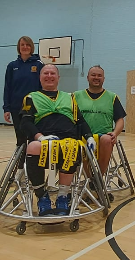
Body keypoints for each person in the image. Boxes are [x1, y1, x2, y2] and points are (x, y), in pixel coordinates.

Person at [20, 64, 94, 216]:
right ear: (40, 78)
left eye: (52, 73)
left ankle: (62, 196)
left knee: (73, 147)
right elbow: (25, 123)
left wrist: (89, 136)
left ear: (58, 78)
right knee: (33, 147)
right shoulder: (30, 98)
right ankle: (42, 197)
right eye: (45, 73)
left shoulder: (69, 98)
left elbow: (80, 121)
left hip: (68, 140)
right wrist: (40, 137)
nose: (49, 76)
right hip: (44, 141)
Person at [74, 65, 126, 180]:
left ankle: (98, 178)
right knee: (77, 142)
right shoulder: (76, 96)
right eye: (93, 75)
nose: (96, 77)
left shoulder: (112, 97)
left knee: (107, 139)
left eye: (99, 75)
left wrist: (115, 133)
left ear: (103, 78)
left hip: (104, 135)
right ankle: (90, 180)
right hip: (82, 136)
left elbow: (120, 120)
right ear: (87, 77)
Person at [2, 36, 43, 158]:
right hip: (16, 108)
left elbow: (42, 87)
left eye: (27, 45)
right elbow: (7, 87)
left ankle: (31, 168)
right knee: (20, 139)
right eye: (22, 45)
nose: (25, 47)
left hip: (34, 108)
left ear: (31, 47)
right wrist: (6, 108)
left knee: (33, 138)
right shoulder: (12, 66)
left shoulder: (39, 64)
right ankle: (20, 168)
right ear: (18, 48)